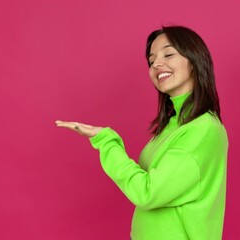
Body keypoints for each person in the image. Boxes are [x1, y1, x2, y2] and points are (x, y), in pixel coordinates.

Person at [56, 26, 228, 240]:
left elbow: (148, 192)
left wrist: (107, 142)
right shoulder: (174, 125)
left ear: (194, 61)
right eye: (151, 59)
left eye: (168, 53)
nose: (156, 63)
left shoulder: (203, 129)